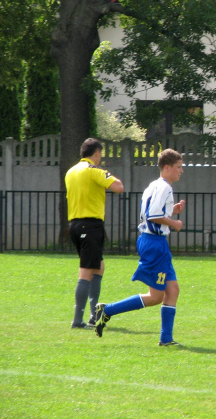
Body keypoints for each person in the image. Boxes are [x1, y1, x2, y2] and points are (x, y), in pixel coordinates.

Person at [94, 148, 186, 346]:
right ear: (167, 167)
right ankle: (107, 310)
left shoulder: (154, 185)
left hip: (154, 241)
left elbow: (152, 211)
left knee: (173, 290)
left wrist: (172, 210)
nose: (181, 171)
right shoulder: (165, 187)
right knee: (155, 296)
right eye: (179, 167)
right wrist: (174, 223)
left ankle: (166, 339)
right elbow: (153, 215)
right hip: (154, 243)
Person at [66, 138, 124, 329]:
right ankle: (78, 320)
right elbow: (118, 187)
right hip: (90, 226)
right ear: (97, 153)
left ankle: (93, 315)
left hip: (75, 224)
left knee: (99, 267)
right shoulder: (93, 170)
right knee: (86, 272)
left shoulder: (71, 172)